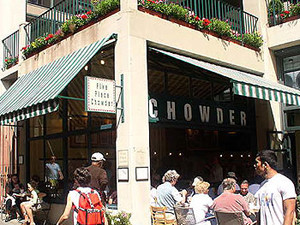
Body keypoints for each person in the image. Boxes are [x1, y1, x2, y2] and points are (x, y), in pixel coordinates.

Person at [254, 150, 296, 225]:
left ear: (265, 165)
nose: (255, 165)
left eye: (257, 162)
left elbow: (290, 212)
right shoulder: (262, 185)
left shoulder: (284, 182)